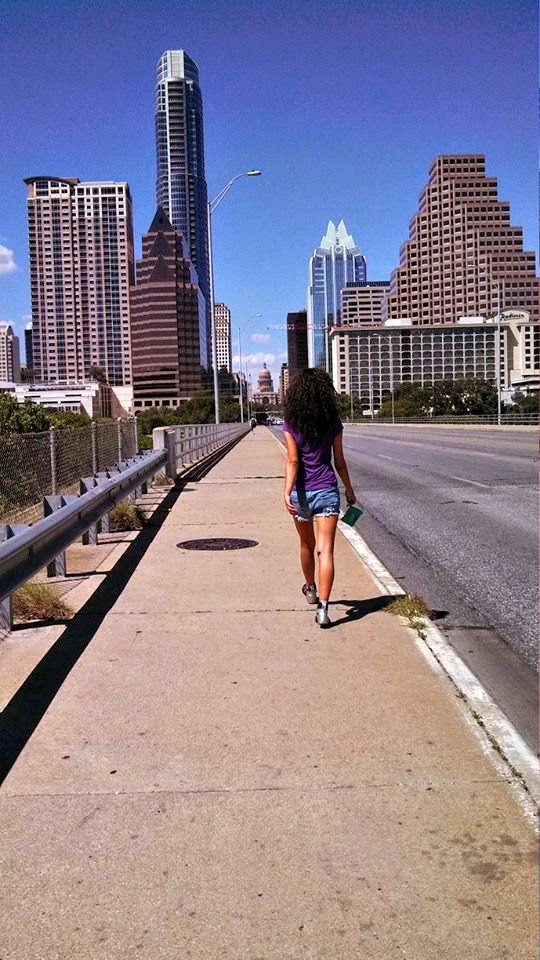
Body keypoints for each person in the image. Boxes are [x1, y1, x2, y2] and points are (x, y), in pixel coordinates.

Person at [282, 368, 356, 628]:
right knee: (326, 551)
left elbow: (293, 461)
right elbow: (340, 461)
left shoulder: (291, 421)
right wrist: (349, 489)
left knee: (306, 545)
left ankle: (311, 589)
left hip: (301, 492)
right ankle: (323, 609)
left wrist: (286, 491)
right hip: (326, 490)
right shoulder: (332, 421)